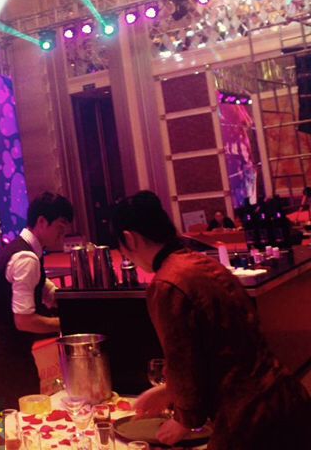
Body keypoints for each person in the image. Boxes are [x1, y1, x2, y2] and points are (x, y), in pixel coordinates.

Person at [111, 191, 310, 449]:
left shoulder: (167, 282)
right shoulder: (203, 263)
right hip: (285, 396)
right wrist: (169, 390)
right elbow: (223, 346)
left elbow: (183, 356)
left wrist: (184, 419)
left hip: (248, 418)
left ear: (130, 239)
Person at [0, 191, 73, 409]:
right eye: (60, 227)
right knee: (19, 423)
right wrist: (68, 323)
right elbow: (25, 322)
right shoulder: (26, 258)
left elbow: (43, 287)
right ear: (42, 222)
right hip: (5, 362)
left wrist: (63, 299)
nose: (63, 235)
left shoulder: (25, 250)